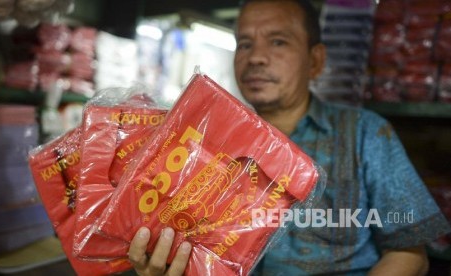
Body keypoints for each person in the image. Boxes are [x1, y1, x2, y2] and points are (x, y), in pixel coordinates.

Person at [128, 0, 451, 275]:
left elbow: (409, 253)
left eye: (278, 42)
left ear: (315, 60)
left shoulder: (365, 133)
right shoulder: (205, 141)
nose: (256, 58)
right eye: (245, 43)